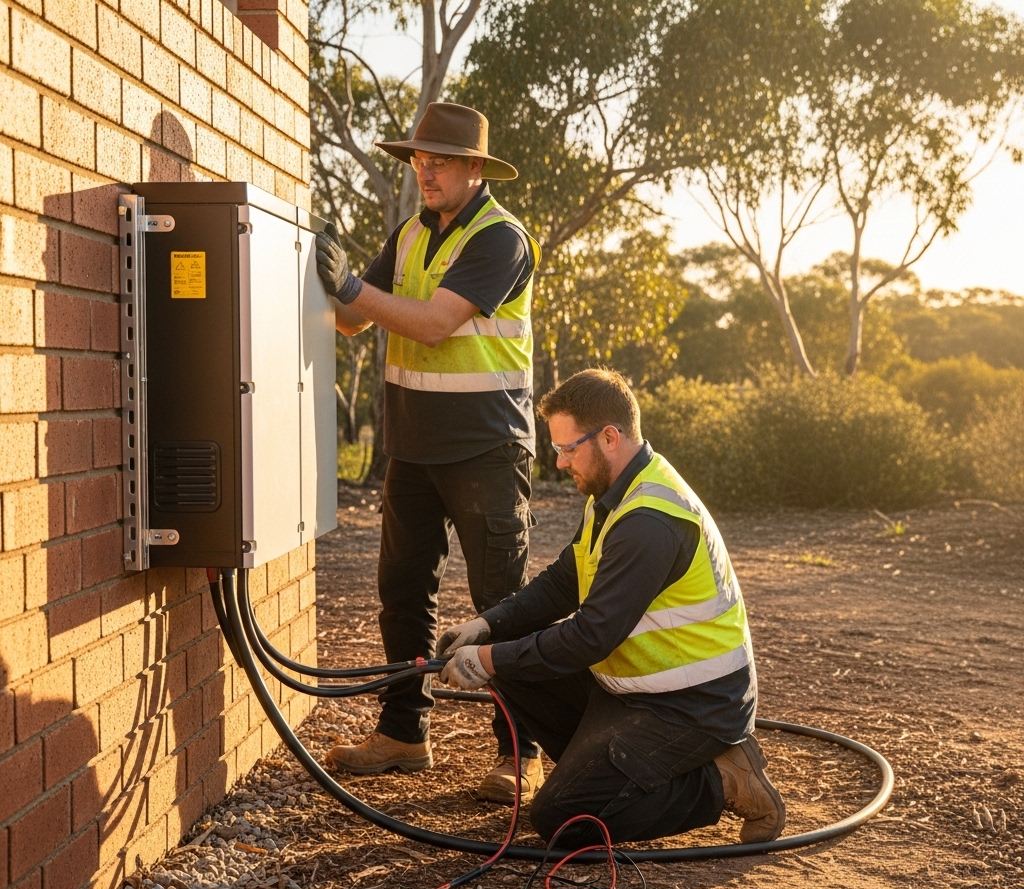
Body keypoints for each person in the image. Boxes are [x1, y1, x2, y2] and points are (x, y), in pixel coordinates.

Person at [437, 369, 786, 846]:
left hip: (693, 705)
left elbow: (590, 635)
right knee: (507, 657)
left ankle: (723, 779)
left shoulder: (650, 521)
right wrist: (485, 627)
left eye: (567, 448)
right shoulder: (612, 494)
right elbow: (565, 581)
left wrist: (485, 660)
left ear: (609, 437)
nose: (559, 463)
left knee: (560, 820)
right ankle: (604, 773)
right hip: (632, 688)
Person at [314, 102, 545, 804]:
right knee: (402, 593)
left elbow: (439, 325)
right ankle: (403, 733)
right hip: (413, 449)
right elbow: (354, 321)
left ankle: (521, 751)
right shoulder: (412, 233)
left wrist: (353, 287)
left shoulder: (501, 238)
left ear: (475, 168)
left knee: (501, 602)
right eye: (418, 159)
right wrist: (327, 278)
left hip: (485, 448)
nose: (426, 171)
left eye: (439, 160)